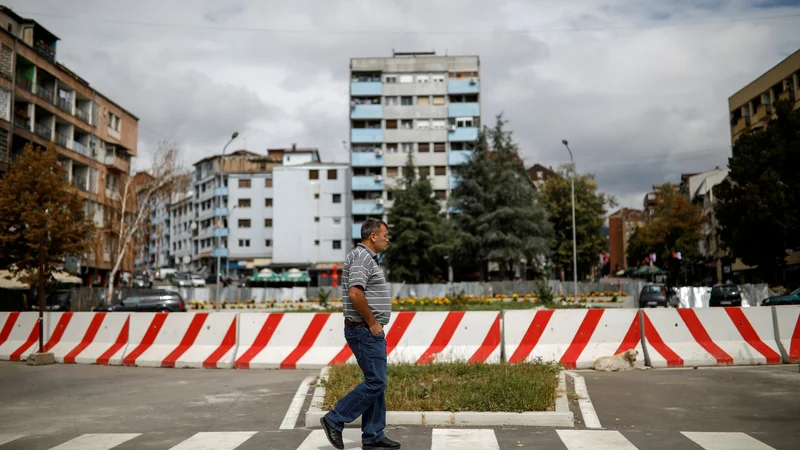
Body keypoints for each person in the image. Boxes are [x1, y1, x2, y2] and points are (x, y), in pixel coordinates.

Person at [320, 218, 400, 449]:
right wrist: (373, 323)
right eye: (385, 234)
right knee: (376, 382)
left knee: (377, 382)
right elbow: (356, 293)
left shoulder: (364, 258)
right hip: (364, 329)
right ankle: (335, 419)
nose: (387, 238)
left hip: (365, 329)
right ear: (373, 236)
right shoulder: (362, 257)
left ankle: (373, 434)